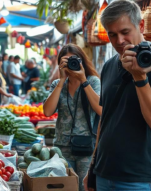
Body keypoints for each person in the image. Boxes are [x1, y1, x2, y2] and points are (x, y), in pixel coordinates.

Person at [83, 0, 151, 191]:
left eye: (125, 32)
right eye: (112, 34)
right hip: (103, 173)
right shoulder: (108, 66)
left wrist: (140, 77)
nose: (119, 41)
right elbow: (104, 121)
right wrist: (92, 166)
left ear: (140, 25)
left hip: (139, 178)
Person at [43, 44, 101, 191]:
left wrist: (83, 80)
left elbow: (100, 109)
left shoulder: (92, 81)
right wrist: (61, 80)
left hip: (86, 146)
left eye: (74, 60)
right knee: (65, 187)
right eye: (66, 61)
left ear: (82, 61)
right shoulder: (58, 84)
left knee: (84, 187)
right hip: (62, 147)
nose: (71, 64)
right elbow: (48, 111)